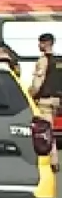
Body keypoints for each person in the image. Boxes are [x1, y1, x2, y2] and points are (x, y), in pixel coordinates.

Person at [28, 32, 60, 172]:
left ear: (46, 43)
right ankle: (54, 160)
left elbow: (37, 84)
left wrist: (30, 95)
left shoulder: (43, 60)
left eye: (40, 42)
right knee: (50, 128)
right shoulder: (58, 61)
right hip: (56, 100)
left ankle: (52, 161)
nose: (38, 45)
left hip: (44, 101)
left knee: (45, 131)